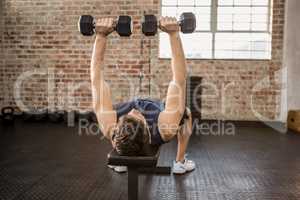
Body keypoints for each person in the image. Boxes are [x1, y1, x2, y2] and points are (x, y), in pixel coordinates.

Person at [90, 16, 195, 174]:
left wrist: (101, 36)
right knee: (185, 113)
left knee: (108, 121)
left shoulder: (111, 128)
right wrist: (174, 34)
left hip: (121, 133)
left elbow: (96, 79)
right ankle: (180, 162)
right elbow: (179, 80)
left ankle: (123, 151)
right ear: (148, 130)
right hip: (156, 116)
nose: (134, 110)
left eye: (128, 117)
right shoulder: (165, 128)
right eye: (138, 116)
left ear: (118, 128)